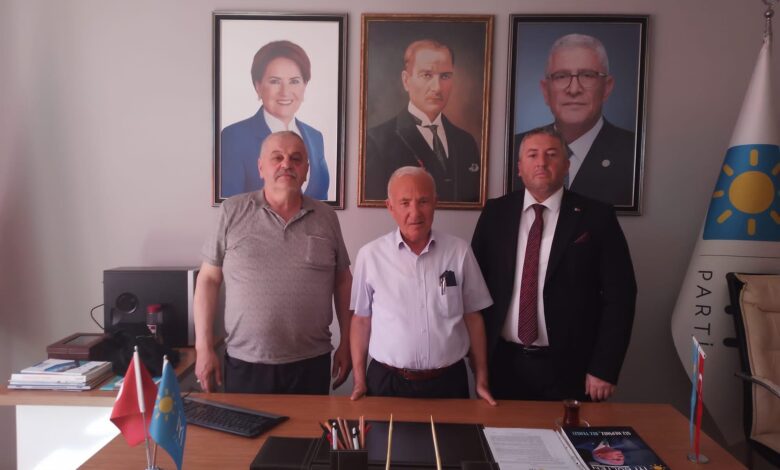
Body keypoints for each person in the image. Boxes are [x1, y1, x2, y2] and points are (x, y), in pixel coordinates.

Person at [472, 127, 636, 402]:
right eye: (532, 155)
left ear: (567, 165)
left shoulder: (597, 216)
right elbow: (474, 289)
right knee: (504, 431)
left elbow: (621, 297)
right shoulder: (495, 213)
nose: (541, 162)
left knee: (569, 432)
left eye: (551, 154)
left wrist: (604, 368)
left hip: (573, 368)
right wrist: (477, 361)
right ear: (519, 167)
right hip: (502, 364)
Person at [195, 131, 351, 394]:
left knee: (308, 425)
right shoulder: (231, 211)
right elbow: (208, 280)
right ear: (260, 167)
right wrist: (203, 348)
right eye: (277, 157)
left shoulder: (326, 217)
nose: (286, 164)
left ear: (306, 170)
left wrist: (347, 342)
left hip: (312, 363)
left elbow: (343, 281)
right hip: (246, 363)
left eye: (296, 159)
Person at [350, 166, 495, 404]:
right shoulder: (370, 255)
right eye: (405, 203)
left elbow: (473, 317)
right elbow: (361, 320)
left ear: (435, 202)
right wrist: (358, 380)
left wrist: (481, 379)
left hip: (448, 383)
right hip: (387, 382)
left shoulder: (459, 251)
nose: (415, 212)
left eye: (423, 201)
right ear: (390, 207)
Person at [513, 34, 636, 207]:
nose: (574, 89)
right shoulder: (515, 148)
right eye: (561, 76)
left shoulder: (632, 151)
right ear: (546, 91)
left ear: (607, 87)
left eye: (587, 75)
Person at [364, 39, 481, 203]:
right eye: (427, 75)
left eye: (445, 76)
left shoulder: (466, 142)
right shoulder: (376, 142)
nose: (437, 88)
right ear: (406, 80)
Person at [220, 40, 329, 200]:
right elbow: (232, 207)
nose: (285, 92)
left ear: (304, 86)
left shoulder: (315, 137)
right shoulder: (234, 137)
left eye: (294, 81)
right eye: (275, 81)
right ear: (258, 86)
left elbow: (321, 201)